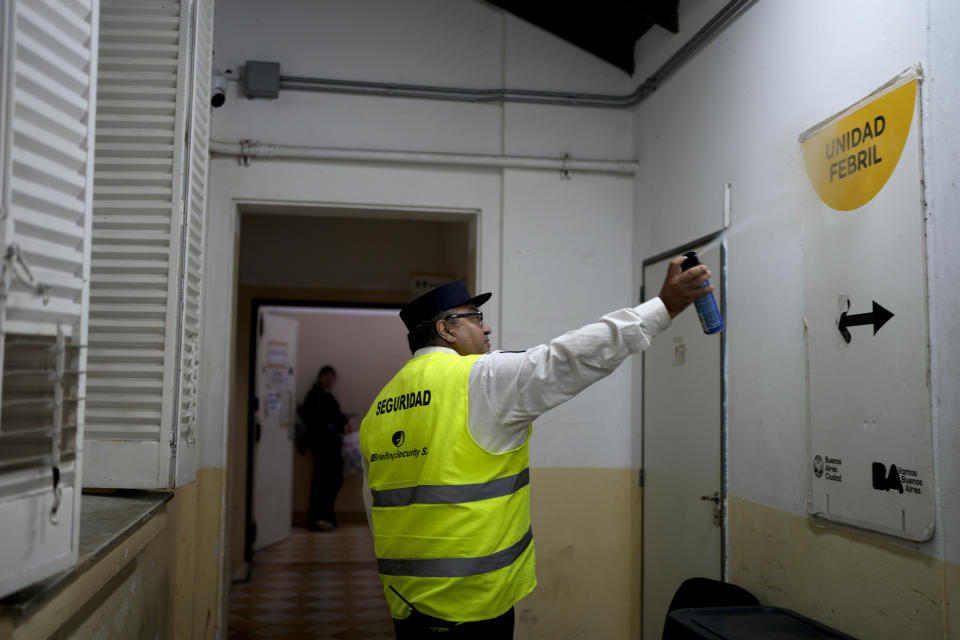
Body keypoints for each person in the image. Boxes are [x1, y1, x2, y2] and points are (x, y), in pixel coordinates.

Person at [359, 256, 713, 638]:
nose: (487, 326)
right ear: (446, 329)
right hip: (473, 605)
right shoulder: (479, 379)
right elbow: (566, 359)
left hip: (405, 604)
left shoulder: (379, 408)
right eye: (476, 317)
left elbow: (375, 507)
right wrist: (663, 307)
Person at [298, 365, 347, 531]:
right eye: (326, 376)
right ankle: (320, 518)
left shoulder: (325, 395)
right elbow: (316, 418)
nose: (329, 379)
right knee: (324, 481)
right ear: (320, 377)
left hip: (329, 445)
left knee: (330, 480)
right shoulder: (316, 395)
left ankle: (325, 517)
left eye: (332, 377)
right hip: (323, 445)